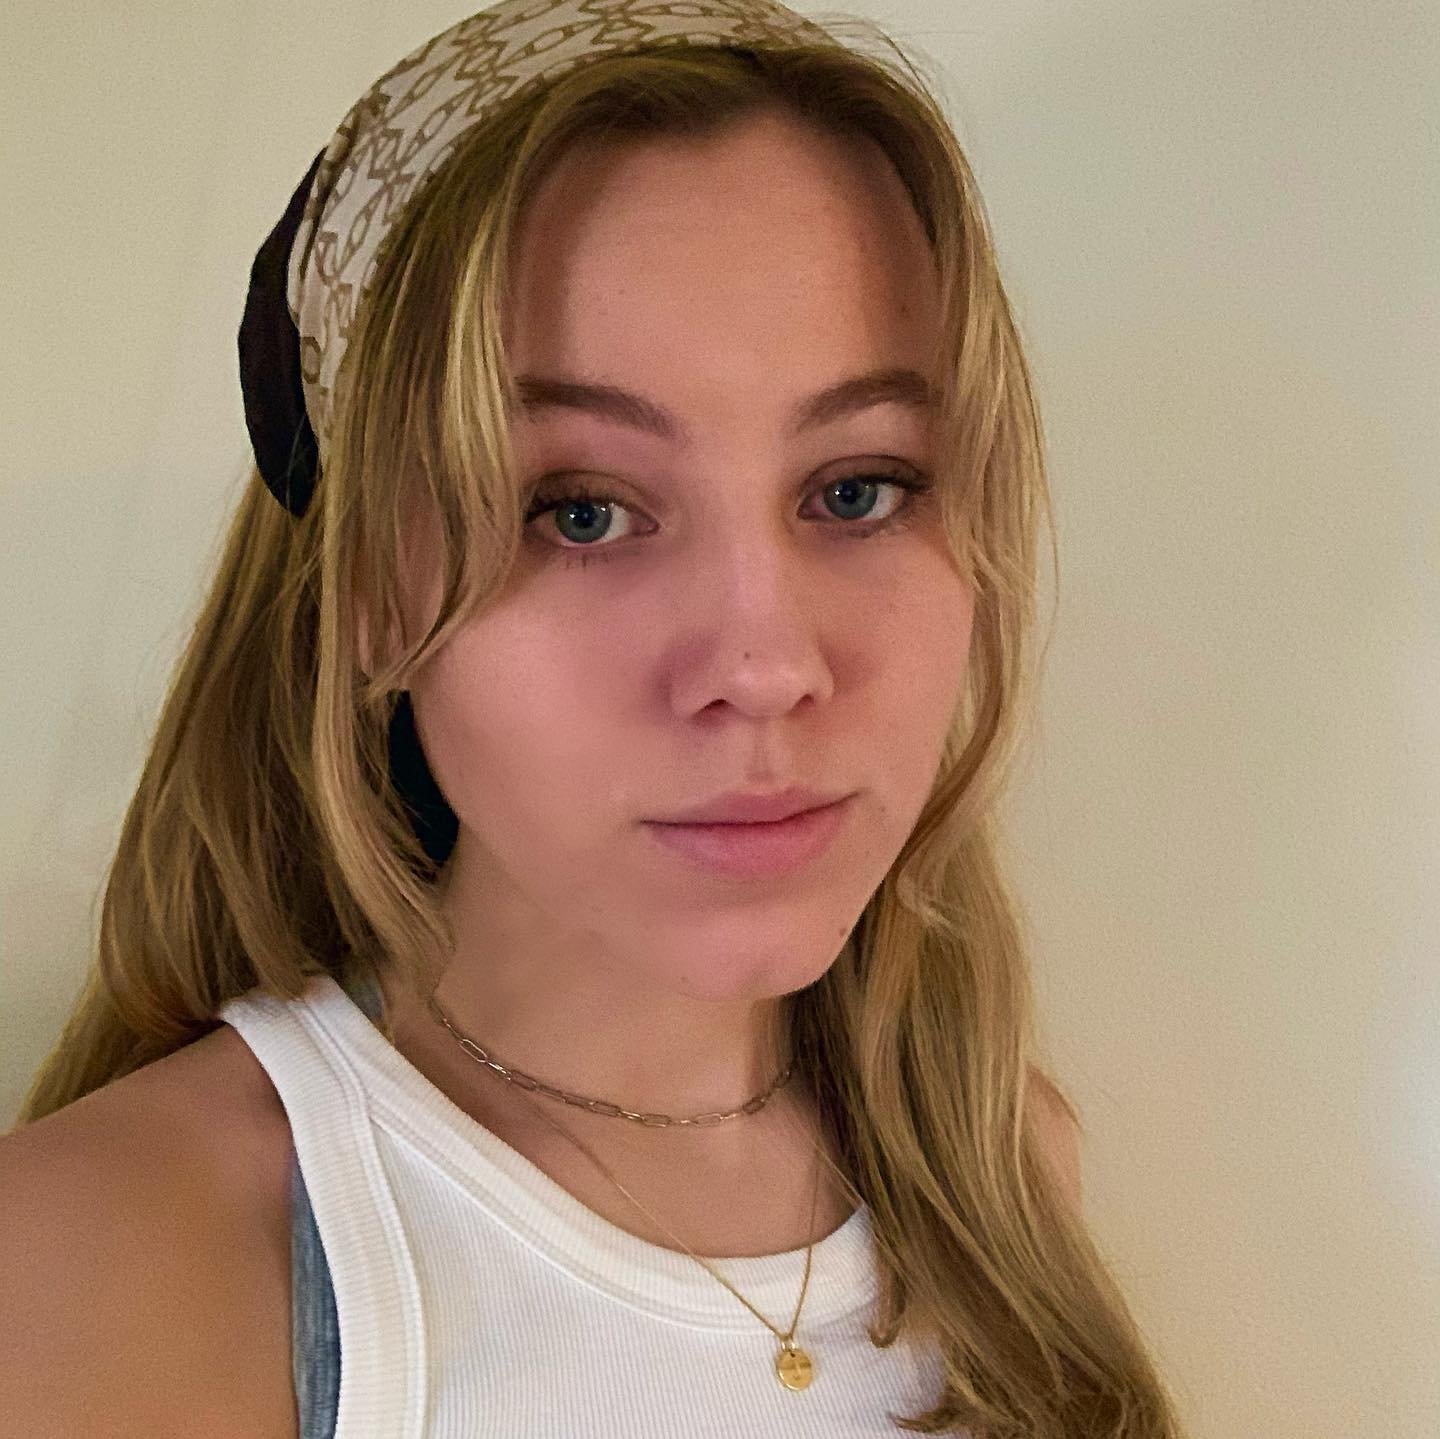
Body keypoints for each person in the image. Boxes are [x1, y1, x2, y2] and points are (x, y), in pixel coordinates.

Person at [0, 2, 1190, 1436]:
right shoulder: (106, 1269)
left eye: (858, 488)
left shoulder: (996, 1178)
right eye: (580, 511)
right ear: (369, 594)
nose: (765, 665)